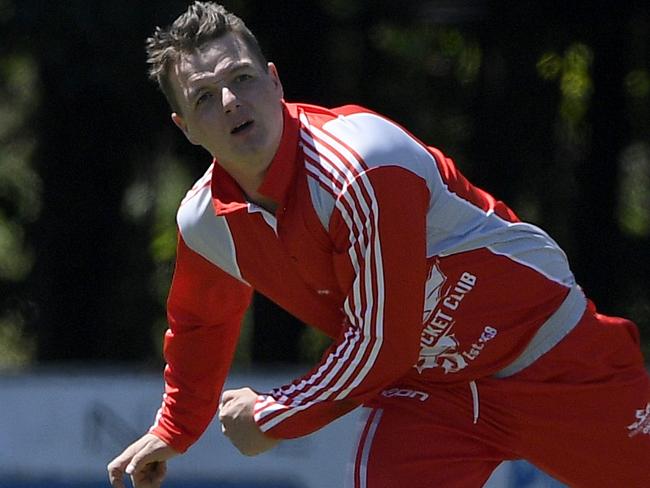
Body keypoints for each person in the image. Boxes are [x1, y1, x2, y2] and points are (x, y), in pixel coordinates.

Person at [107, 2, 650, 487]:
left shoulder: (363, 166)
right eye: (204, 96)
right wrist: (176, 427)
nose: (229, 101)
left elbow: (380, 343)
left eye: (242, 78)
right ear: (185, 129)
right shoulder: (205, 223)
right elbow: (202, 325)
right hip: (430, 399)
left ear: (274, 82)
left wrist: (272, 416)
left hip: (551, 357)